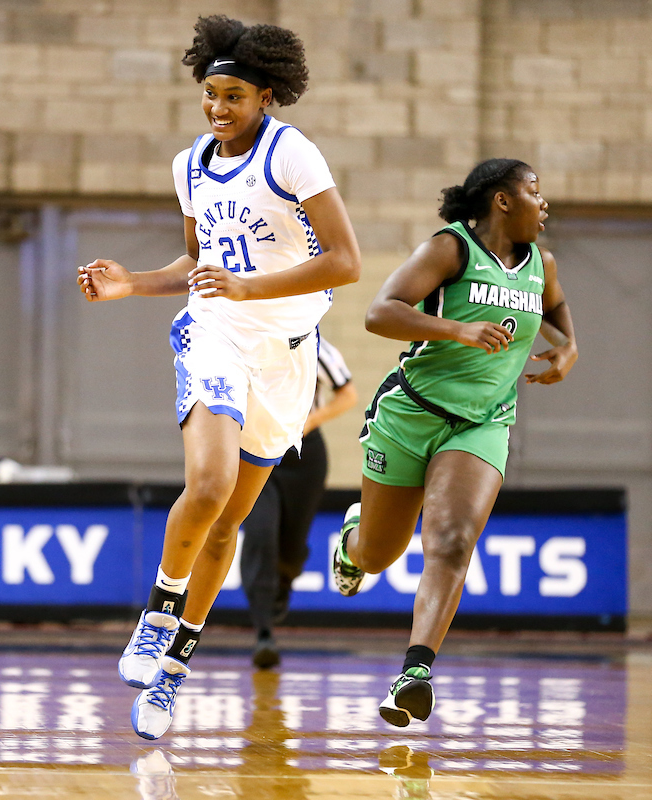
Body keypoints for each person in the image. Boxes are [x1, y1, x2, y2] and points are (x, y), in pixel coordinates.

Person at [77, 15, 361, 740]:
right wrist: (132, 284)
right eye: (210, 94)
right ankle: (158, 613)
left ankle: (174, 671)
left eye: (232, 95)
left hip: (287, 356)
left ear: (266, 96)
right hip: (216, 334)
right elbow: (198, 267)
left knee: (229, 520)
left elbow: (345, 262)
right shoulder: (191, 164)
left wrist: (247, 287)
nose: (217, 108)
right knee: (206, 485)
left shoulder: (293, 154)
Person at [331, 158, 577, 727]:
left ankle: (414, 673)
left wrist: (567, 347)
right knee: (379, 555)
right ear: (501, 201)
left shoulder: (543, 263)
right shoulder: (451, 249)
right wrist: (457, 328)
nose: (545, 204)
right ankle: (351, 541)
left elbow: (555, 306)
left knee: (451, 539)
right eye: (534, 192)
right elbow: (379, 313)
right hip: (410, 413)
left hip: (483, 422)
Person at [241, 334, 357, 668]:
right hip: (257, 450)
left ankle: (285, 580)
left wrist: (310, 421)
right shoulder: (250, 338)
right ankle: (264, 631)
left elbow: (348, 394)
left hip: (304, 457)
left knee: (291, 547)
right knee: (260, 535)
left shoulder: (319, 344)